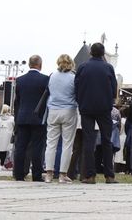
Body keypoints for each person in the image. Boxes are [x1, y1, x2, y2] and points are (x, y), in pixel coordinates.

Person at [75, 42, 118, 184]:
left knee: (89, 141)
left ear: (90, 53)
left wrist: (81, 101)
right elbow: (113, 89)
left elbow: (77, 87)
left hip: (86, 108)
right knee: (106, 141)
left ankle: (90, 175)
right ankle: (109, 175)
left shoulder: (82, 67)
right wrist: (109, 101)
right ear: (103, 53)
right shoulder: (108, 68)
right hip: (104, 108)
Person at [13, 55, 50, 182]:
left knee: (21, 147)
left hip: (22, 117)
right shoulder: (45, 79)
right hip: (38, 118)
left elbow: (17, 101)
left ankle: (18, 174)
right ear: (40, 64)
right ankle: (37, 175)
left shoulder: (20, 80)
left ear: (29, 64)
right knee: (37, 147)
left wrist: (17, 117)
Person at [44, 54, 77, 183]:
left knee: (51, 143)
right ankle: (63, 174)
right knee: (67, 144)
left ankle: (49, 173)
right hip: (69, 110)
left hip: (53, 110)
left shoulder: (52, 76)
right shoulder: (73, 78)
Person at [0, 104, 14, 169]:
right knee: (6, 151)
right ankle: (3, 164)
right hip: (8, 137)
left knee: (0, 151)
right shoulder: (12, 118)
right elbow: (14, 126)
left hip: (0, 136)